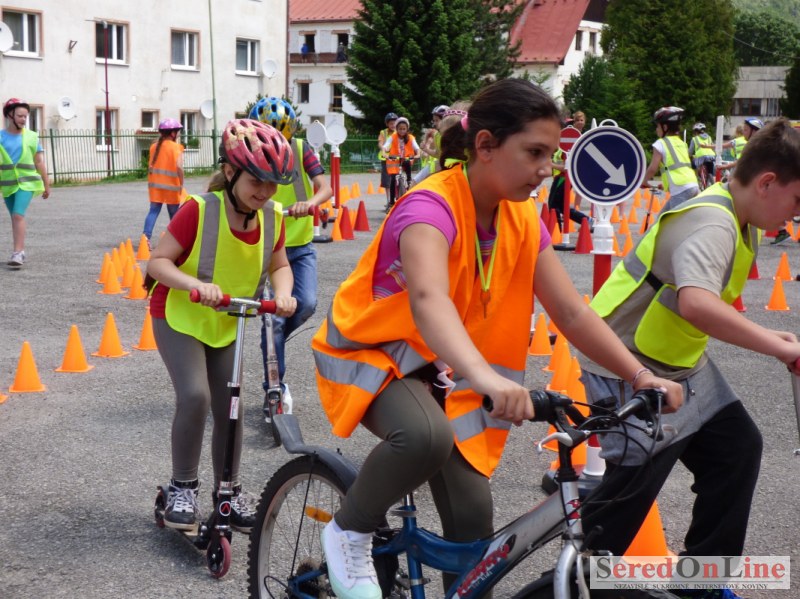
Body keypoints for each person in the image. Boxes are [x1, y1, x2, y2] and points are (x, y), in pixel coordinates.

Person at [311, 78, 682, 599]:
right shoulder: (429, 207)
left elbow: (571, 312)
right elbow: (429, 301)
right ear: (485, 145)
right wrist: (485, 378)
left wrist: (640, 376)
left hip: (447, 368)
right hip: (377, 354)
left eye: (552, 154)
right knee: (424, 438)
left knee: (474, 527)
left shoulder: (522, 215)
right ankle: (349, 529)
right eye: (534, 152)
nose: (547, 168)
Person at [580, 118, 800, 599]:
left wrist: (771, 335)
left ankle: (702, 585)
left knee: (736, 450)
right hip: (626, 360)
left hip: (678, 362)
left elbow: (701, 306)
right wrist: (780, 347)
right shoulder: (713, 221)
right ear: (767, 183)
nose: (796, 214)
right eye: (797, 199)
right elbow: (697, 304)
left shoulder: (741, 219)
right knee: (629, 492)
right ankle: (574, 582)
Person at [145, 119, 297, 533]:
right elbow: (157, 263)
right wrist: (195, 285)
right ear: (230, 172)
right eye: (256, 181)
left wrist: (284, 293)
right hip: (181, 315)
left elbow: (280, 265)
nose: (265, 192)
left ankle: (227, 492)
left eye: (273, 184)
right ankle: (183, 488)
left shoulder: (273, 216)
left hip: (228, 320)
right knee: (195, 396)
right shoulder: (199, 209)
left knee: (231, 405)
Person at [249, 97, 333, 415]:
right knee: (272, 321)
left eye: (280, 139)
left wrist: (309, 203)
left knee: (306, 304)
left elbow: (324, 187)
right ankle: (274, 387)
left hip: (299, 244)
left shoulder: (300, 149)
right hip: (264, 245)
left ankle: (276, 334)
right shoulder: (249, 151)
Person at [1, 98, 51, 268]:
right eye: (20, 116)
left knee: (18, 215)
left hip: (27, 183)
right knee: (15, 217)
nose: (23, 119)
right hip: (8, 184)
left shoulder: (31, 137)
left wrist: (46, 184)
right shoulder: (0, 137)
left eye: (25, 116)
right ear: (10, 115)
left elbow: (39, 162)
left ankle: (18, 253)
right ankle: (19, 250)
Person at [643, 106, 699, 212]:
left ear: (665, 127)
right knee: (662, 218)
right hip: (693, 185)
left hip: (681, 190)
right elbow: (678, 168)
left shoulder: (660, 143)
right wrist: (666, 185)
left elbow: (653, 168)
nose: (656, 129)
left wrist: (644, 181)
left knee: (673, 221)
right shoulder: (682, 143)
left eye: (657, 126)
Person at [143, 118, 185, 245]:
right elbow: (179, 168)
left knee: (153, 212)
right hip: (172, 187)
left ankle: (145, 239)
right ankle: (176, 241)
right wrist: (181, 183)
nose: (178, 134)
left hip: (155, 187)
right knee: (174, 215)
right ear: (172, 133)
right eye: (177, 132)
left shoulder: (153, 147)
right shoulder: (176, 148)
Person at [382, 116, 420, 209]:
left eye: (404, 129)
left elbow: (417, 148)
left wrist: (418, 154)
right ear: (397, 129)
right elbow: (386, 146)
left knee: (407, 166)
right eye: (400, 129)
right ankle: (391, 202)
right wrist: (384, 152)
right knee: (393, 179)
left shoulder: (411, 137)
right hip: (395, 160)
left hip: (406, 159)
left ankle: (409, 180)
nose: (402, 131)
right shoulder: (393, 137)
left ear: (407, 129)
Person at [412, 104, 449, 185]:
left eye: (437, 120)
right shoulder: (437, 135)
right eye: (434, 121)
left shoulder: (452, 136)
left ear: (446, 120)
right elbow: (438, 154)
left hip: (446, 167)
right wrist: (426, 149)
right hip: (438, 165)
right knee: (414, 182)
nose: (434, 123)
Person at [377, 112, 398, 204]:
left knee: (398, 179)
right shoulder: (383, 132)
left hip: (397, 159)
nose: (393, 125)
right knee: (387, 181)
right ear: (387, 124)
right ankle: (389, 200)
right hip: (386, 159)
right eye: (391, 123)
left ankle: (398, 198)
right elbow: (380, 143)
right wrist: (383, 148)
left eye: (394, 123)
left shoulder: (399, 132)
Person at [688, 122, 716, 188]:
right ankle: (712, 183)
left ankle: (696, 179)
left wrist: (689, 156)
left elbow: (690, 152)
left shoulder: (694, 139)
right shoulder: (709, 138)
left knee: (693, 164)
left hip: (701, 156)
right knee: (710, 172)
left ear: (696, 131)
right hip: (711, 156)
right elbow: (713, 147)